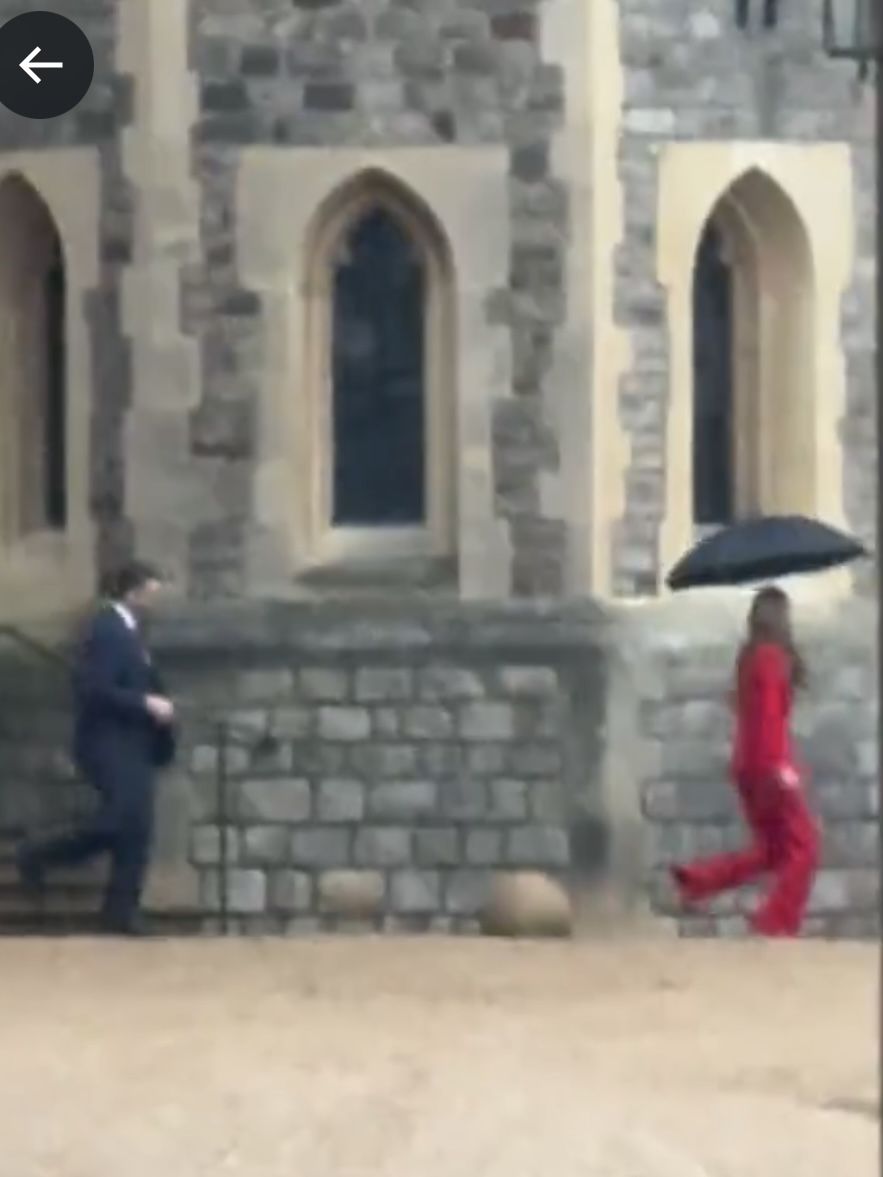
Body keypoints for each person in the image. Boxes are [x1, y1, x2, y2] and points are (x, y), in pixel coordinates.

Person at [16, 561, 177, 936]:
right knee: (120, 818)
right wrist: (145, 703)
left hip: (134, 744)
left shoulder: (131, 633)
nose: (156, 601)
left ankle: (121, 911)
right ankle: (39, 853)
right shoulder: (107, 630)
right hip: (106, 743)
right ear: (133, 592)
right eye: (152, 592)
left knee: (137, 828)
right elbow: (95, 689)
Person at [670, 585, 820, 937]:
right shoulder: (770, 659)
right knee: (805, 847)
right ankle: (774, 921)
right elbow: (768, 718)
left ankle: (698, 879)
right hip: (768, 766)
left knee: (772, 850)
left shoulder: (750, 657)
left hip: (747, 767)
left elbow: (747, 711)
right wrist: (783, 771)